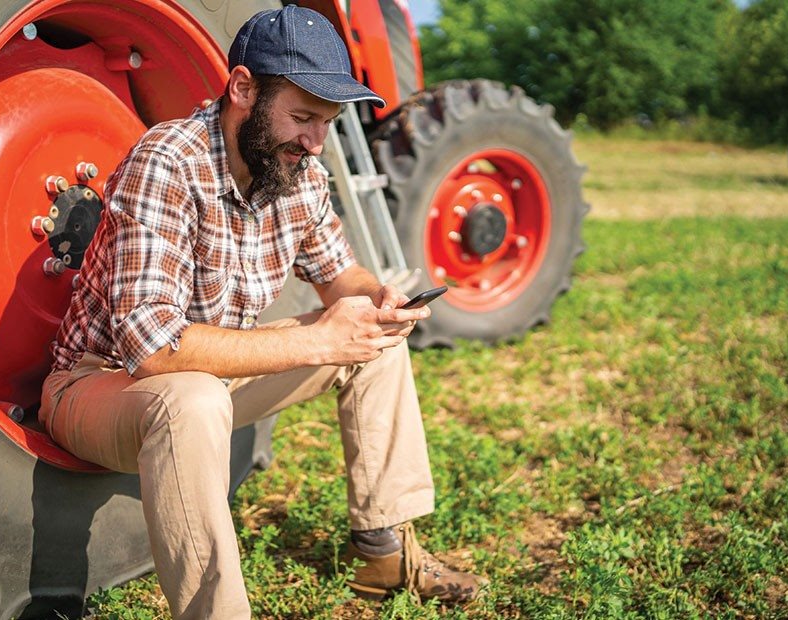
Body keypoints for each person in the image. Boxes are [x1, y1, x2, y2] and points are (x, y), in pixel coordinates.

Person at [39, 5, 485, 618]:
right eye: (302, 117)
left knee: (373, 338)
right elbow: (154, 350)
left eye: (327, 122)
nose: (313, 141)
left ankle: (383, 551)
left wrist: (374, 299)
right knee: (192, 398)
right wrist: (319, 341)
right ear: (242, 87)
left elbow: (339, 277)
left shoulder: (297, 170)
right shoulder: (167, 161)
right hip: (102, 384)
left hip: (212, 376)